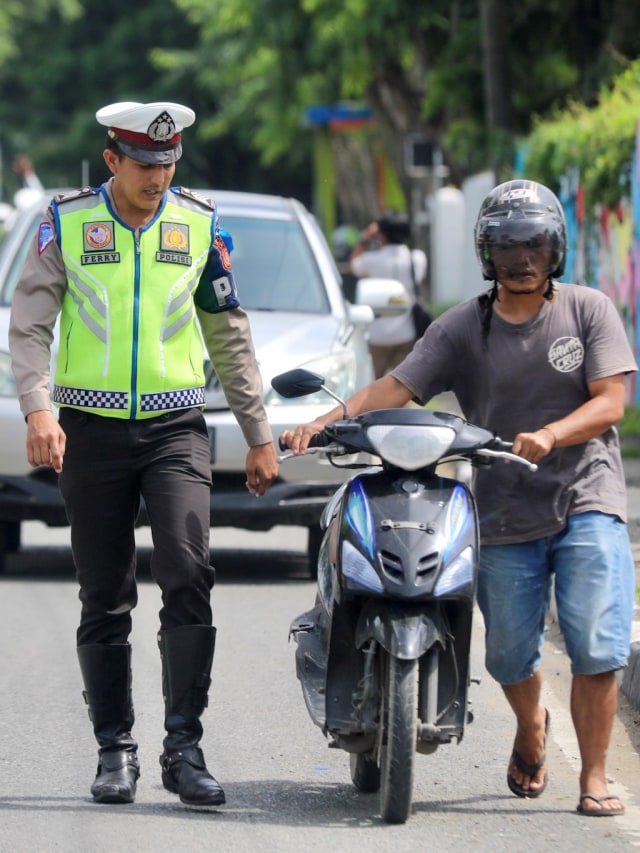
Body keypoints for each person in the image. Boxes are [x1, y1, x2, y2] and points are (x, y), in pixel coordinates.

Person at [281, 179, 636, 817]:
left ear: (556, 250)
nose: (521, 260)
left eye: (534, 246)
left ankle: (595, 775)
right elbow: (396, 386)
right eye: (505, 248)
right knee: (505, 653)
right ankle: (531, 729)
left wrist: (552, 434)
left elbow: (611, 400)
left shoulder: (588, 310)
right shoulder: (463, 327)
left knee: (596, 641)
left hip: (589, 492)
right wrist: (324, 422)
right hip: (502, 508)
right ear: (485, 254)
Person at [9, 101, 279, 807]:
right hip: (89, 431)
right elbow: (30, 326)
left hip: (176, 428)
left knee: (188, 573)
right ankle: (115, 749)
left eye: (168, 163)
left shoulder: (198, 224)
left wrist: (258, 432)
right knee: (105, 592)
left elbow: (228, 329)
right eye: (144, 164)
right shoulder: (64, 223)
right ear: (112, 161)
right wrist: (38, 407)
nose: (157, 176)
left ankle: (183, 748)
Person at [349, 210, 428, 378]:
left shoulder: (371, 260)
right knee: (403, 386)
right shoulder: (417, 258)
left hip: (377, 335)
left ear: (381, 235)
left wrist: (365, 238)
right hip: (407, 333)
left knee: (371, 385)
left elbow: (353, 265)